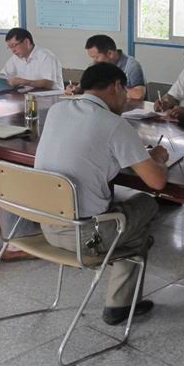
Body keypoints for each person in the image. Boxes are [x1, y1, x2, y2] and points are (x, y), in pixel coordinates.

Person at [35, 62, 169, 325]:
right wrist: (159, 159)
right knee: (146, 206)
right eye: (125, 91)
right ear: (117, 86)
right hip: (86, 237)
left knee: (126, 219)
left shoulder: (57, 110)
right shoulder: (114, 124)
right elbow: (157, 182)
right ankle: (120, 305)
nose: (126, 98)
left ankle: (122, 296)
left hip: (47, 224)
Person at [65, 35, 146, 99]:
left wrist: (112, 88)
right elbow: (82, 86)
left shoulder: (131, 66)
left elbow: (139, 95)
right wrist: (75, 89)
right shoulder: (95, 65)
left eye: (96, 57)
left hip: (130, 109)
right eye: (92, 57)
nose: (94, 61)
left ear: (110, 54)